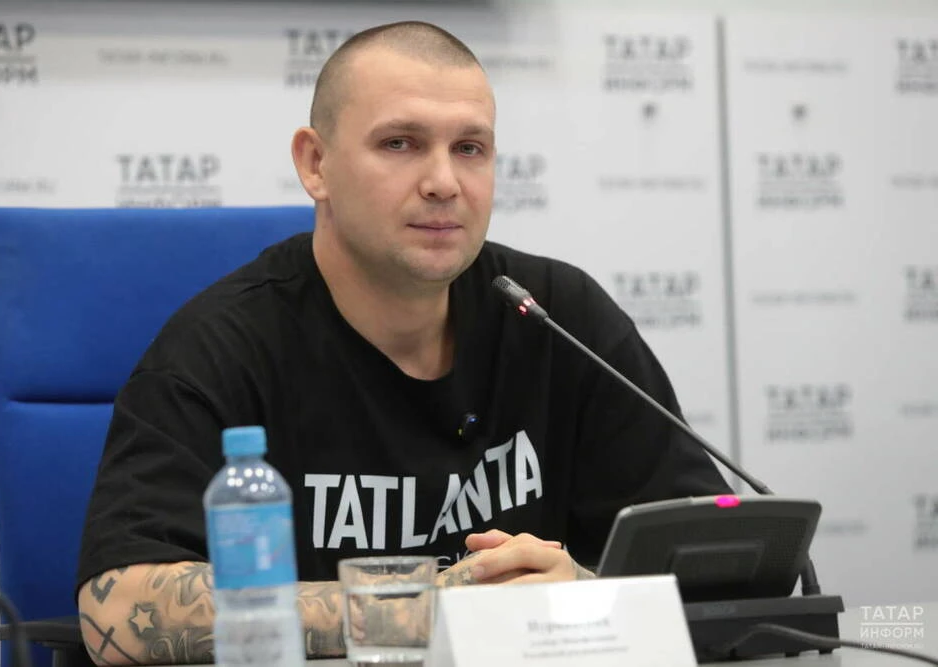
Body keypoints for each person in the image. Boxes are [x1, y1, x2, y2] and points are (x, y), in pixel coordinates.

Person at [75, 20, 730, 666]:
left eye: (469, 148)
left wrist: (583, 593)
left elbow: (716, 562)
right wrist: (425, 606)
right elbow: (115, 608)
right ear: (315, 164)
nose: (444, 181)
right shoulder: (221, 346)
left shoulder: (556, 315)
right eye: (400, 143)